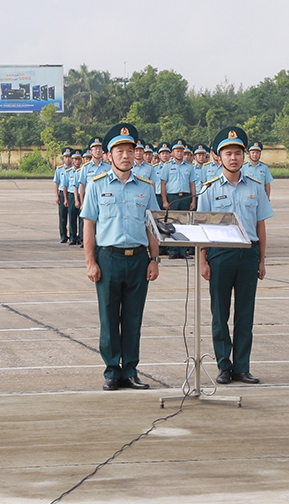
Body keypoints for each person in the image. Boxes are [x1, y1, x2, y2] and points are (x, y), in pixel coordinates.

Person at [80, 123, 160, 391]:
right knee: (109, 317)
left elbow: (152, 226)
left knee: (133, 318)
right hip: (108, 258)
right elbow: (89, 224)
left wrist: (154, 259)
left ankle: (131, 370)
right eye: (119, 151)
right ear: (109, 155)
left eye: (130, 150)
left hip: (138, 259)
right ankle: (112, 370)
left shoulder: (146, 188)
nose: (126, 155)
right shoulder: (96, 185)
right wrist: (91, 262)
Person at [199, 126, 273, 385]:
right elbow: (202, 229)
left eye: (238, 153)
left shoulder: (255, 187)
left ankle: (242, 367)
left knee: (245, 313)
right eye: (228, 153)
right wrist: (203, 261)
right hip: (220, 255)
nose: (234, 158)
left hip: (248, 254)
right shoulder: (208, 189)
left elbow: (261, 225)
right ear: (218, 158)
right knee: (220, 314)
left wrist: (262, 260)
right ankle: (223, 366)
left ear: (244, 157)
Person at [160, 138, 197, 259]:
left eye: (181, 151)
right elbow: (163, 184)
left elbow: (192, 184)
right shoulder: (167, 166)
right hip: (172, 197)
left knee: (184, 224)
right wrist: (165, 201)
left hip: (185, 197)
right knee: (171, 224)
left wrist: (193, 200)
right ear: (172, 152)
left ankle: (182, 251)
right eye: (177, 151)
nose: (180, 153)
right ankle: (173, 250)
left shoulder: (189, 167)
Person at [53, 147, 72, 244]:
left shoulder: (76, 169)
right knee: (62, 216)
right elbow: (56, 183)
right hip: (61, 194)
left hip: (71, 194)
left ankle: (73, 235)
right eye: (66, 157)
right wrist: (57, 196)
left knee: (72, 216)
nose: (68, 159)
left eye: (69, 157)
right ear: (63, 158)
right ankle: (63, 235)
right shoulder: (59, 169)